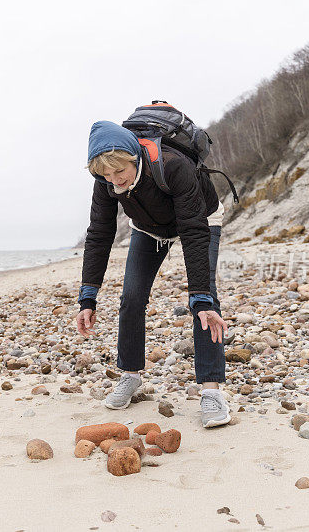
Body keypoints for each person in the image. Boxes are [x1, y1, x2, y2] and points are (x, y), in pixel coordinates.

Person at [76, 120, 230, 428]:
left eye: (119, 172)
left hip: (201, 219)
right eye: (105, 174)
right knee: (131, 297)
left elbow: (193, 229)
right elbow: (99, 233)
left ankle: (211, 391)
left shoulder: (174, 166)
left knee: (205, 302)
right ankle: (130, 375)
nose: (113, 180)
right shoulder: (105, 178)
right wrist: (87, 297)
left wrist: (199, 297)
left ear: (134, 157)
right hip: (148, 228)